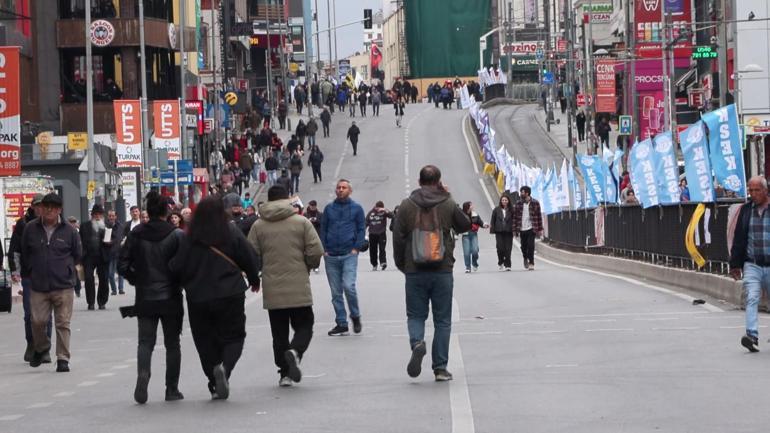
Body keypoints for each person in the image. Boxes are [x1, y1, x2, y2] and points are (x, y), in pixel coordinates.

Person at [170, 196, 260, 400]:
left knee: (204, 341)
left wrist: (183, 283)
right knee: (234, 336)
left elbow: (177, 266)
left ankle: (213, 381)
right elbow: (248, 256)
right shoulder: (230, 231)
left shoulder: (189, 237)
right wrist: (254, 278)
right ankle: (225, 369)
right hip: (230, 293)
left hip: (198, 297)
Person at [392, 165, 471, 381]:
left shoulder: (407, 206)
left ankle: (417, 342)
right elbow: (465, 224)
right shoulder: (447, 203)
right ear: (438, 181)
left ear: (419, 181)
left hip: (414, 270)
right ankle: (440, 368)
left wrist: (402, 264)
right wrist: (448, 195)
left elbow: (398, 238)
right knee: (443, 320)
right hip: (442, 269)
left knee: (415, 315)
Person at [247, 185, 324, 387]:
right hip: (298, 282)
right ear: (287, 199)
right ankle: (295, 351)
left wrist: (256, 273)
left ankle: (284, 372)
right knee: (305, 324)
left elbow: (250, 253)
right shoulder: (302, 222)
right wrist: (309, 264)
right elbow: (316, 250)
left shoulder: (258, 226)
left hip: (272, 285)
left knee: (279, 331)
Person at [118, 191, 185, 404]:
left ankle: (143, 373)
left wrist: (136, 279)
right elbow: (186, 265)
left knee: (145, 342)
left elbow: (122, 265)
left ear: (148, 211)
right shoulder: (176, 235)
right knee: (172, 343)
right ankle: (171, 388)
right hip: (171, 297)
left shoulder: (136, 234)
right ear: (167, 211)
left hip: (145, 296)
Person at [22, 193, 82, 372]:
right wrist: (29, 272)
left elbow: (77, 254)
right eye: (46, 207)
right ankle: (42, 347)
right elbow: (25, 253)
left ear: (59, 210)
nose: (48, 210)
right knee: (37, 321)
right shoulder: (30, 228)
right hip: (38, 285)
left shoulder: (69, 231)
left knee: (62, 322)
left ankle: (63, 358)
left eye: (53, 207)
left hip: (63, 285)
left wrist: (68, 271)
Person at [320, 179, 366, 336]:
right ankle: (341, 322)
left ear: (350, 191)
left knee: (349, 286)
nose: (340, 190)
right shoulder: (329, 209)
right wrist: (324, 249)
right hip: (331, 255)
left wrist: (356, 248)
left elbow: (361, 229)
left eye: (343, 188)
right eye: (338, 188)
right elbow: (323, 228)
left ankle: (355, 315)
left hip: (349, 254)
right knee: (335, 292)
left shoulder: (357, 208)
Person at [730, 176, 770, 353]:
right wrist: (735, 264)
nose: (753, 194)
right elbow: (739, 239)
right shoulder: (746, 211)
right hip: (752, 264)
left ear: (766, 191)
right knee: (752, 297)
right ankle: (751, 335)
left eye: (757, 190)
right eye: (750, 190)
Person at [10, 194, 52, 362]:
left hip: (48, 275)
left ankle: (45, 348)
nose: (41, 209)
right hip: (29, 275)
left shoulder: (52, 223)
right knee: (30, 314)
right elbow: (15, 250)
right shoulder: (23, 224)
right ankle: (31, 343)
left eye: (43, 206)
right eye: (37, 206)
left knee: (46, 315)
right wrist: (15, 271)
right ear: (33, 207)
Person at [80, 204, 116, 310]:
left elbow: (115, 239)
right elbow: (80, 241)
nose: (97, 216)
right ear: (92, 215)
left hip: (103, 256)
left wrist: (111, 242)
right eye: (95, 214)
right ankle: (90, 302)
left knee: (104, 279)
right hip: (89, 256)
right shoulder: (85, 226)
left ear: (102, 215)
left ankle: (102, 302)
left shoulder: (107, 225)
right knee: (88, 278)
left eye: (99, 214)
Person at [513, 186, 544, 270]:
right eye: (520, 192)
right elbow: (515, 218)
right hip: (522, 228)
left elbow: (539, 216)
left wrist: (540, 229)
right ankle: (525, 258)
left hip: (531, 228)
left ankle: (531, 262)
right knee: (523, 246)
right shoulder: (518, 204)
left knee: (531, 246)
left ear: (527, 193)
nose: (521, 194)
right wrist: (515, 230)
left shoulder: (535, 203)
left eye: (522, 192)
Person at [366, 201, 394, 271]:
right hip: (372, 234)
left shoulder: (384, 212)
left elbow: (392, 215)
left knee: (382, 249)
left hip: (381, 233)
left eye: (380, 208)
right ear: (375, 206)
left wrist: (385, 210)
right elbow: (366, 222)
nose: (378, 209)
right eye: (377, 208)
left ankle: (383, 262)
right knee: (373, 250)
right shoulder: (371, 212)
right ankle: (374, 264)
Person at [461, 201, 488, 273]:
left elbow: (481, 223)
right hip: (465, 235)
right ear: (467, 207)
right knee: (466, 252)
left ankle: (474, 263)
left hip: (474, 234)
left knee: (475, 251)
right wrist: (455, 234)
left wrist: (484, 225)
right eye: (471, 205)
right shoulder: (461, 215)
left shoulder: (475, 214)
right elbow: (457, 224)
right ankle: (468, 267)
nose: (472, 206)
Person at [489, 195, 514, 271]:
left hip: (509, 232)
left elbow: (515, 221)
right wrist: (492, 230)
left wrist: (515, 230)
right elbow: (492, 220)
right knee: (500, 248)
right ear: (500, 201)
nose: (504, 201)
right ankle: (500, 261)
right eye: (503, 200)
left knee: (508, 249)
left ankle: (508, 264)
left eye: (506, 200)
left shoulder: (512, 210)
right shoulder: (496, 210)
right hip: (499, 231)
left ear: (508, 201)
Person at [106, 210, 124, 295]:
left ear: (115, 216)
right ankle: (114, 289)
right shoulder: (106, 226)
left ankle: (121, 288)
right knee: (110, 274)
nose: (111, 217)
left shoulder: (120, 226)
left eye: (112, 216)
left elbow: (118, 238)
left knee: (120, 272)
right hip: (109, 253)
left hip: (118, 252)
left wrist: (111, 241)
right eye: (109, 216)